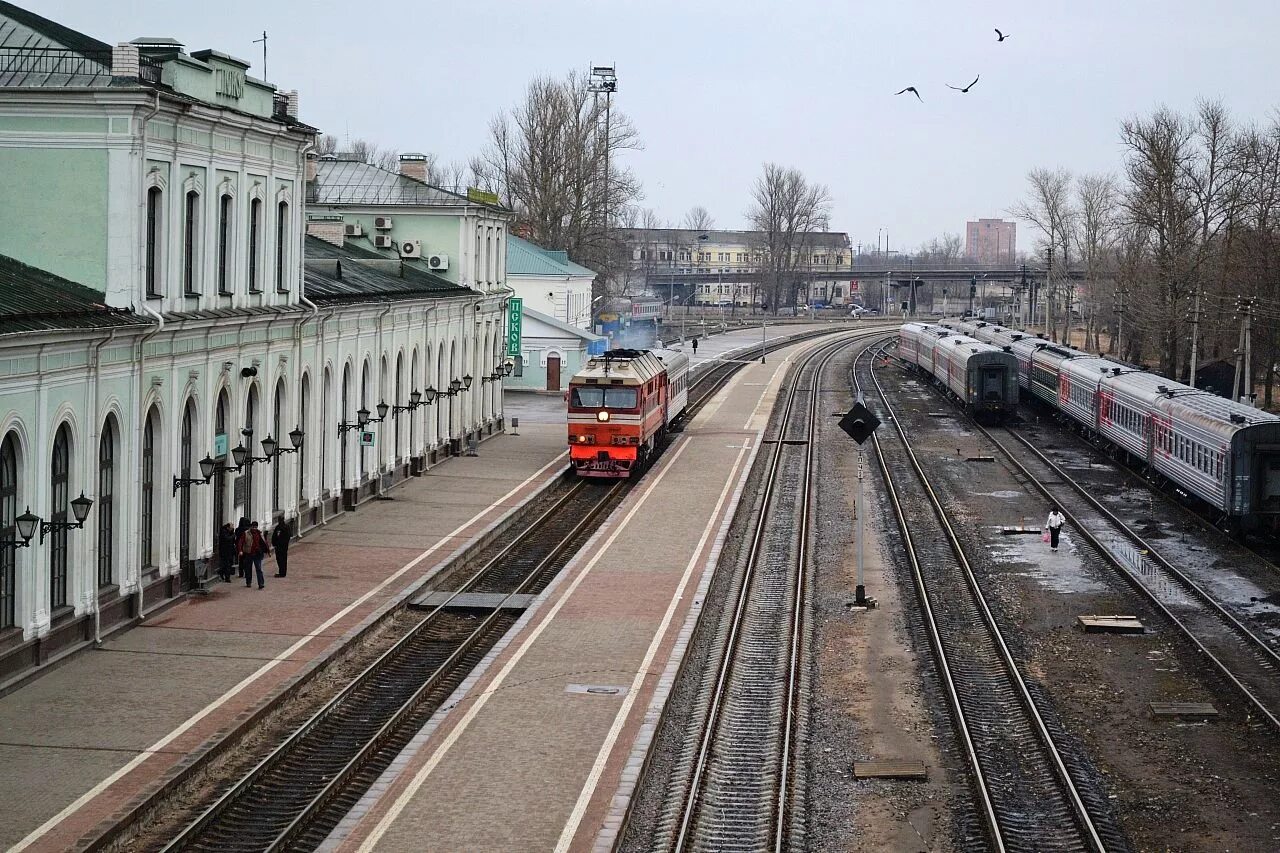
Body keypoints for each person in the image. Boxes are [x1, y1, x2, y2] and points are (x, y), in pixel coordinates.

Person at [239, 520, 271, 589]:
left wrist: (268, 551)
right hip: (249, 553)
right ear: (251, 527)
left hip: (257, 554)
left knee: (259, 569)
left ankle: (261, 583)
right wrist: (240, 550)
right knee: (248, 569)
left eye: (255, 527)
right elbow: (241, 542)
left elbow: (265, 542)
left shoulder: (259, 533)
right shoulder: (246, 533)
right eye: (253, 527)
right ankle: (248, 582)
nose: (254, 528)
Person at [234, 516, 251, 581]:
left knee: (241, 560)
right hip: (246, 547)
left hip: (240, 547)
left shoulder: (237, 529)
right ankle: (247, 573)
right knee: (247, 561)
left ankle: (241, 573)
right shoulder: (248, 530)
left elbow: (236, 538)